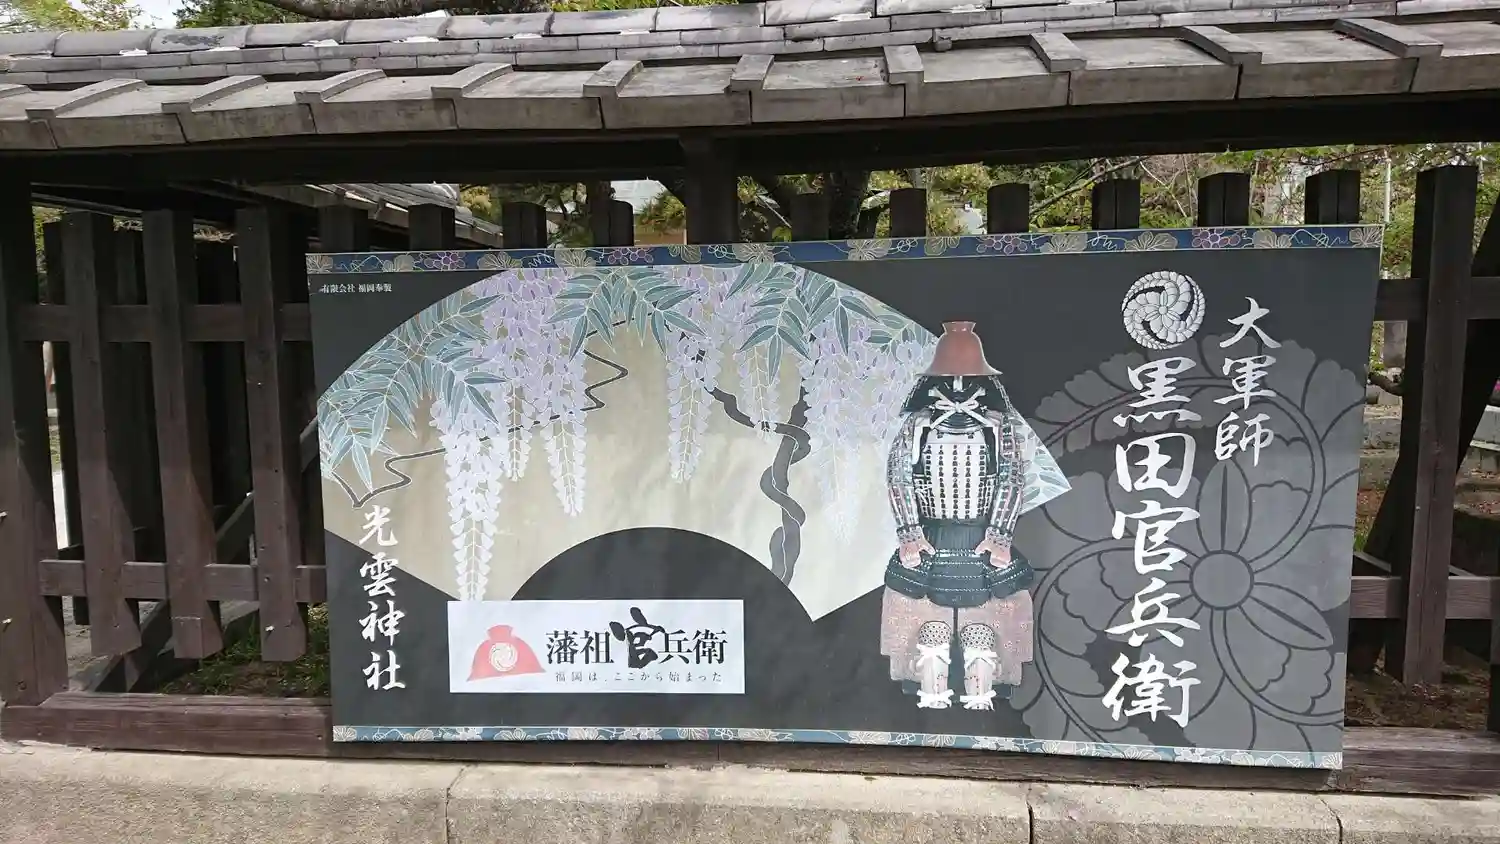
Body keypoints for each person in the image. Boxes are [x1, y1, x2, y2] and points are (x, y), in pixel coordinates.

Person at [879, 322, 1069, 711]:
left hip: (983, 538)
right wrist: (909, 533)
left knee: (990, 624)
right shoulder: (918, 426)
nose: (959, 386)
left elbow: (1011, 480)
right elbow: (898, 477)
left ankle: (984, 687)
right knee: (924, 624)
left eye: (967, 379)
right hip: (929, 538)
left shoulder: (997, 429)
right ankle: (927, 686)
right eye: (951, 378)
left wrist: (999, 536)